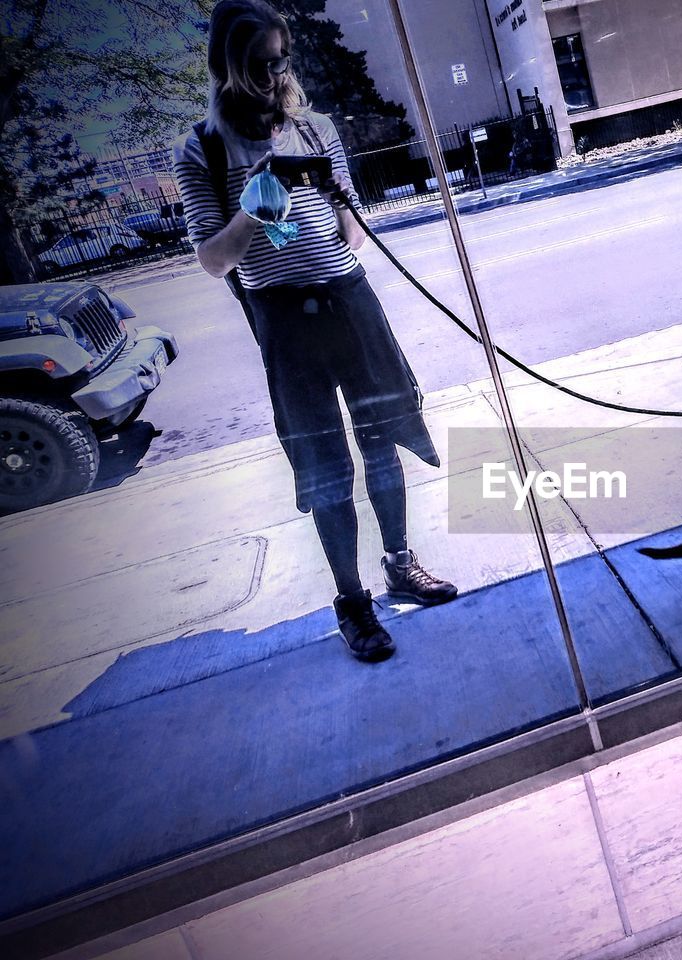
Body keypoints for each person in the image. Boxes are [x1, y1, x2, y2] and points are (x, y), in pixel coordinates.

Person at [174, 0, 457, 663]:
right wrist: (252, 209)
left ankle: (399, 564)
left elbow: (352, 223)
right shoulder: (203, 149)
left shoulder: (316, 129)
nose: (274, 76)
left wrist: (330, 221)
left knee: (381, 441)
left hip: (349, 302)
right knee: (325, 467)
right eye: (258, 64)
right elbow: (214, 260)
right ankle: (352, 604)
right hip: (283, 319)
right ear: (226, 67)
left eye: (281, 60)